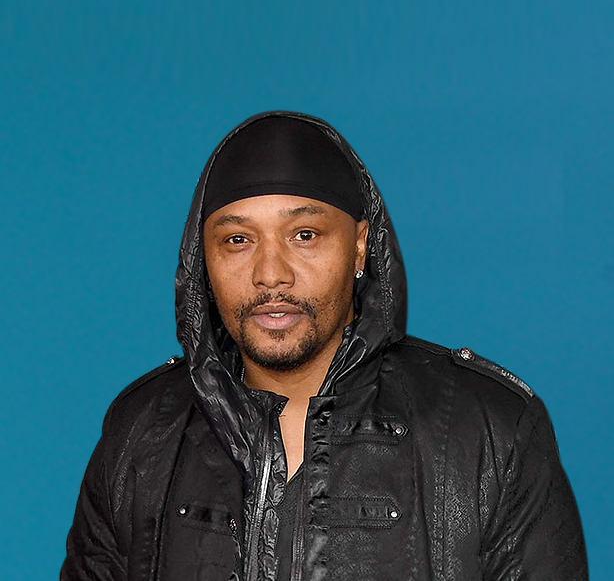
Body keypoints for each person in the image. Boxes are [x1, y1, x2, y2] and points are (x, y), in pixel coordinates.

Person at [61, 111, 588, 581]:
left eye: (305, 235)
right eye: (238, 240)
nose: (271, 273)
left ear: (359, 246)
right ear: (204, 258)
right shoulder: (142, 434)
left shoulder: (490, 433)